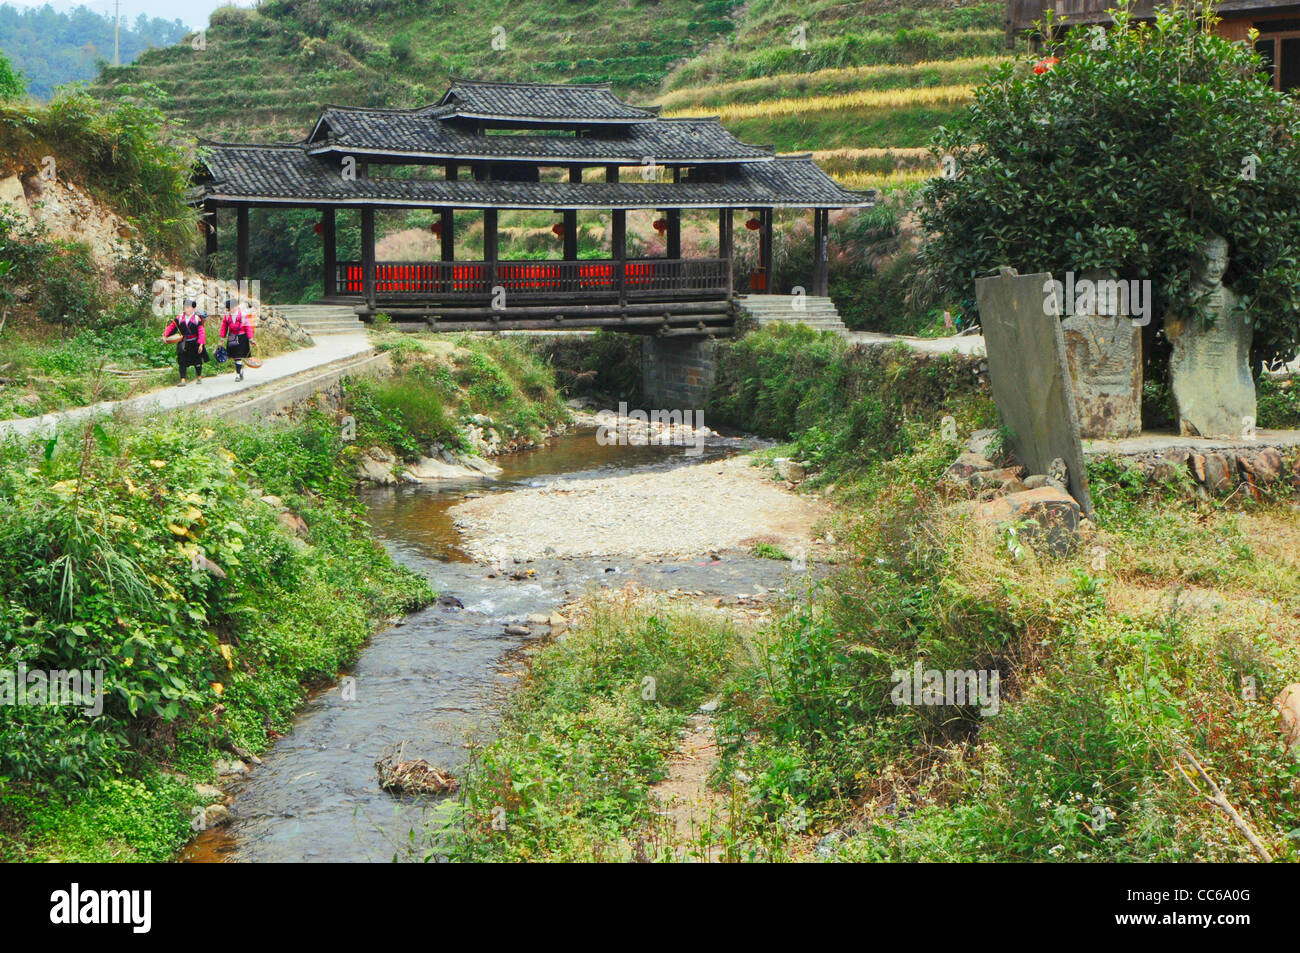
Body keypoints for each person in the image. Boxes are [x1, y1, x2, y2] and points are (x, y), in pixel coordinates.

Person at [163, 299, 207, 386]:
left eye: (189, 307)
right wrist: (165, 335)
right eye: (185, 307)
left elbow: (201, 332)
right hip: (183, 342)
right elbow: (171, 327)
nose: (186, 309)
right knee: (182, 361)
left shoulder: (197, 319)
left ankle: (198, 377)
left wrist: (201, 344)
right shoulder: (179, 318)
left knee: (197, 361)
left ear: (193, 308)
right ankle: (183, 380)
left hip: (195, 342)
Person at [219, 298, 255, 381]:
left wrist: (251, 339)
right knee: (236, 357)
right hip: (232, 337)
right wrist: (221, 340)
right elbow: (224, 328)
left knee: (238, 356)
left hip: (242, 337)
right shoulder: (227, 316)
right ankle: (240, 371)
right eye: (229, 308)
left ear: (236, 306)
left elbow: (248, 327)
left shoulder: (242, 315)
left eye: (233, 307)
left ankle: (238, 374)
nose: (231, 310)